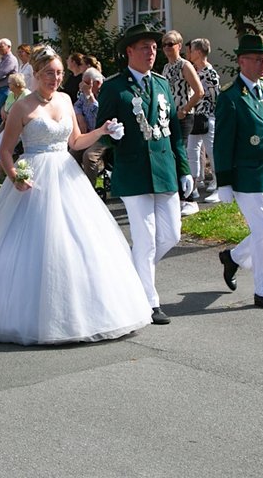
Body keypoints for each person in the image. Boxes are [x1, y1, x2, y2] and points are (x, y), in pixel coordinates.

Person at [0, 45, 151, 345]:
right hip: (34, 176)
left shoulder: (65, 99)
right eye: (49, 73)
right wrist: (15, 176)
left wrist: (101, 131)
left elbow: (76, 142)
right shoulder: (22, 106)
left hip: (66, 175)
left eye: (59, 73)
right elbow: (6, 150)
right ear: (36, 74)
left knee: (80, 241)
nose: (56, 78)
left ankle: (86, 312)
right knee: (33, 245)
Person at [96, 23, 194, 325]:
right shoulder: (114, 87)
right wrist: (112, 134)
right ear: (129, 51)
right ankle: (149, 302)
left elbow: (174, 131)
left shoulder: (161, 83)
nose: (151, 52)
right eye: (144, 48)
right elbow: (102, 131)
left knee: (172, 234)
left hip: (164, 170)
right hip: (134, 172)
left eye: (154, 47)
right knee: (146, 238)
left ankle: (129, 272)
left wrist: (184, 169)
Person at [214, 34, 263, 311]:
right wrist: (224, 181)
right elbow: (223, 142)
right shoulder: (230, 96)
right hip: (245, 173)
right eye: (257, 59)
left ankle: (233, 258)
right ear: (241, 61)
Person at [161, 30, 204, 216]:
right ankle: (179, 194)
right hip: (169, 117)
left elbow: (199, 91)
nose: (167, 48)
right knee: (172, 154)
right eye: (164, 44)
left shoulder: (185, 65)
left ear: (179, 45)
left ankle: (190, 198)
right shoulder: (166, 68)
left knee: (181, 153)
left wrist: (185, 109)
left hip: (183, 117)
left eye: (170, 44)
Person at [185, 38, 221, 203]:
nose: (190, 53)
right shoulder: (195, 71)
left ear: (199, 52)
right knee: (192, 151)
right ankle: (192, 188)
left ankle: (220, 186)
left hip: (208, 117)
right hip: (195, 116)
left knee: (212, 151)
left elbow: (215, 97)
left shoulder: (210, 73)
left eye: (192, 50)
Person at [0, 72, 30, 182]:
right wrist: (3, 110)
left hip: (22, 128)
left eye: (10, 83)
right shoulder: (11, 94)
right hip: (9, 125)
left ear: (17, 84)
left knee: (5, 146)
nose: (8, 85)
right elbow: (5, 106)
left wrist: (10, 115)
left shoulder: (27, 95)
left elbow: (26, 112)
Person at [72, 66, 107, 186]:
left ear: (97, 83)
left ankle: (90, 188)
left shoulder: (107, 92)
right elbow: (77, 105)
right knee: (72, 153)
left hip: (104, 136)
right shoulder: (84, 92)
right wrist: (80, 117)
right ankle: (75, 185)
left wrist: (90, 96)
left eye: (86, 83)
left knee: (89, 156)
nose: (83, 86)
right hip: (88, 134)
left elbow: (101, 116)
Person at [0, 38, 19, 123]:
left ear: (9, 47)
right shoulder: (1, 61)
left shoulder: (11, 60)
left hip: (5, 91)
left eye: (1, 47)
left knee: (5, 117)